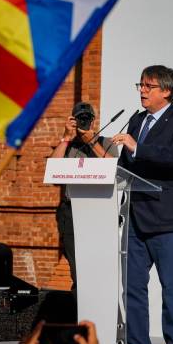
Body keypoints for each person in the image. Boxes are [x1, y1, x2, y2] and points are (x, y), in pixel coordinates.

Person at [111, 65, 173, 344]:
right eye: (141, 84)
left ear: (166, 91)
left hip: (168, 217)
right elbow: (125, 164)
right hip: (135, 214)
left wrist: (137, 146)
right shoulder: (137, 119)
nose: (142, 91)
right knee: (133, 285)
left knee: (171, 285)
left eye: (148, 86)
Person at [50, 102, 118, 290]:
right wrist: (65, 137)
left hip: (97, 213)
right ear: (72, 120)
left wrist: (92, 142)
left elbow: (115, 169)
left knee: (95, 268)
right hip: (70, 212)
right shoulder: (68, 145)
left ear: (94, 121)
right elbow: (53, 170)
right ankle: (81, 308)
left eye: (87, 118)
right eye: (80, 118)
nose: (83, 122)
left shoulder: (106, 143)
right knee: (77, 271)